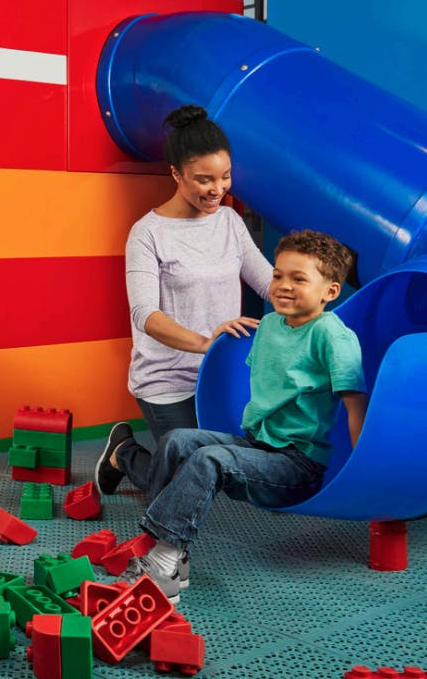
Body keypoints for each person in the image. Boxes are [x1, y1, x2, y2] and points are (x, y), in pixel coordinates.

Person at [97, 230, 367, 603]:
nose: (283, 286)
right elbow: (258, 364)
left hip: (297, 464)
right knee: (176, 440)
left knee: (210, 459)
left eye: (299, 279)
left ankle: (163, 561)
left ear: (330, 292)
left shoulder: (333, 337)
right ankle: (172, 553)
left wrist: (359, 473)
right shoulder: (271, 324)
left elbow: (355, 404)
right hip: (257, 444)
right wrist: (220, 333)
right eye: (278, 276)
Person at [96, 104, 272, 496]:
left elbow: (267, 283)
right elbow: (145, 315)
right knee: (184, 486)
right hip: (167, 378)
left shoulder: (229, 222)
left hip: (222, 372)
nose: (217, 189)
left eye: (225, 177)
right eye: (204, 180)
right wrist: (207, 343)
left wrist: (311, 295)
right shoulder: (148, 234)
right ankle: (123, 453)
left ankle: (136, 456)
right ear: (175, 173)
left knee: (230, 474)